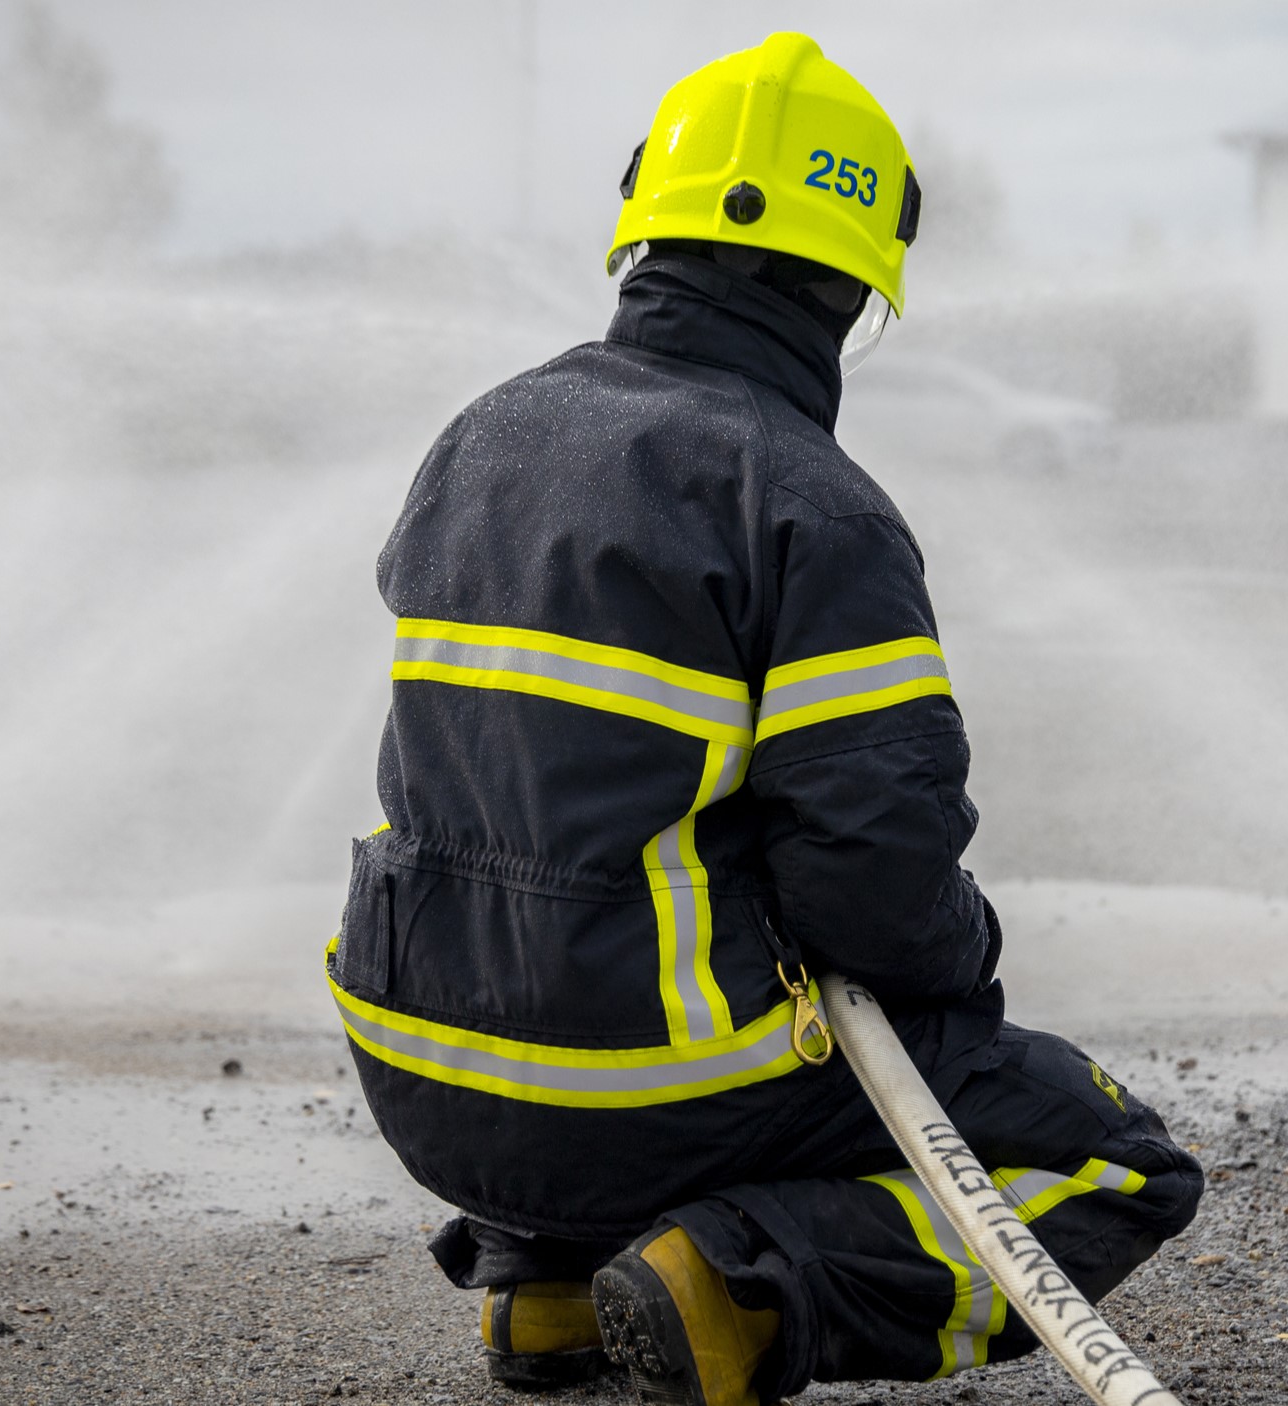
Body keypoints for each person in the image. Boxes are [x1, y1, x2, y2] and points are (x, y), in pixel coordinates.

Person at [329, 32, 1203, 1406]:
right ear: (851, 277)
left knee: (599, 930)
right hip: (635, 1094)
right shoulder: (805, 499)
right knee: (1112, 1159)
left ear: (644, 234)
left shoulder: (480, 436)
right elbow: (874, 877)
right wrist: (962, 973)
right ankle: (728, 1294)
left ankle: (547, 1287)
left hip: (425, 1079)